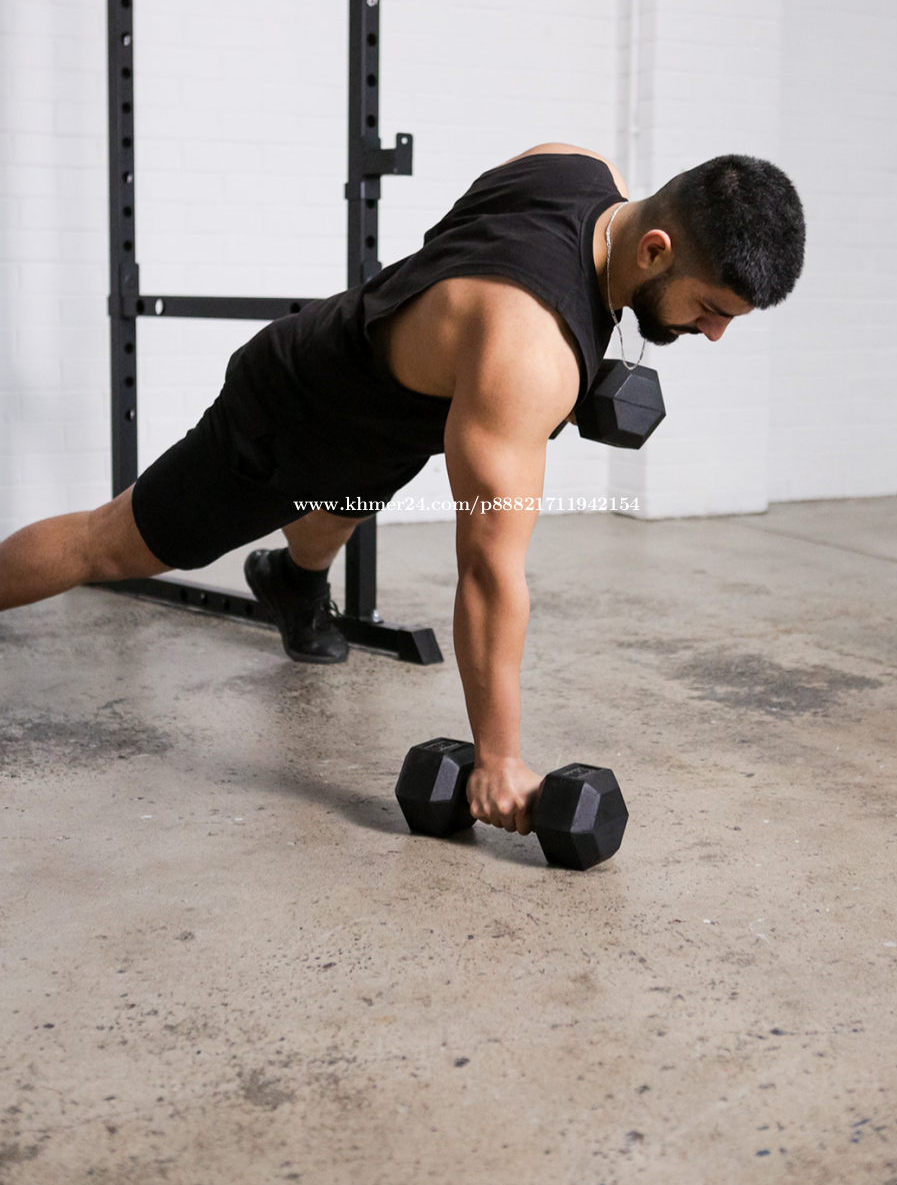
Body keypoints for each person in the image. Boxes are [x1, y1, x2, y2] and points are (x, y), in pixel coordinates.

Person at [0, 143, 805, 835]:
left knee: (341, 509)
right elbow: (488, 571)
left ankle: (293, 584)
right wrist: (498, 759)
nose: (713, 333)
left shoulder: (576, 166)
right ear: (655, 250)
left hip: (376, 430)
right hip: (287, 418)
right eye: (711, 308)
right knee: (110, 545)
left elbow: (456, 242)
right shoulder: (528, 358)